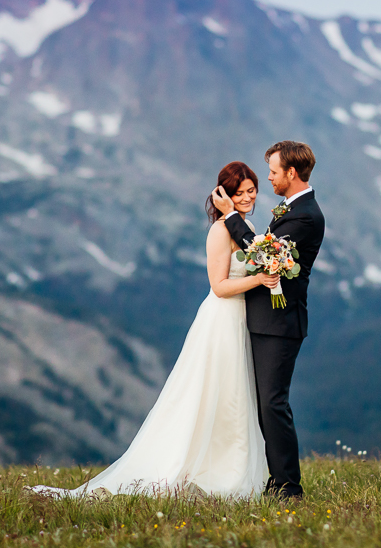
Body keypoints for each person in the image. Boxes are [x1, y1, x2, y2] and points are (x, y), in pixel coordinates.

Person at [31, 161, 278, 499]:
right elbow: (218, 286)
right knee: (218, 391)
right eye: (240, 193)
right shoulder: (221, 230)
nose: (248, 197)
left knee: (234, 394)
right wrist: (260, 279)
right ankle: (205, 470)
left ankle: (228, 466)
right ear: (224, 195)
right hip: (221, 319)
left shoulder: (245, 225)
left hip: (241, 319)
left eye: (252, 191)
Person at [211, 140, 325, 499]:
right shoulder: (292, 209)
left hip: (280, 323)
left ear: (291, 173)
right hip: (265, 320)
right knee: (266, 402)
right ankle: (277, 480)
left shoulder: (306, 214)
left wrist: (231, 217)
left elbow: (266, 255)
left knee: (273, 403)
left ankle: (289, 486)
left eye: (274, 172)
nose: (270, 179)